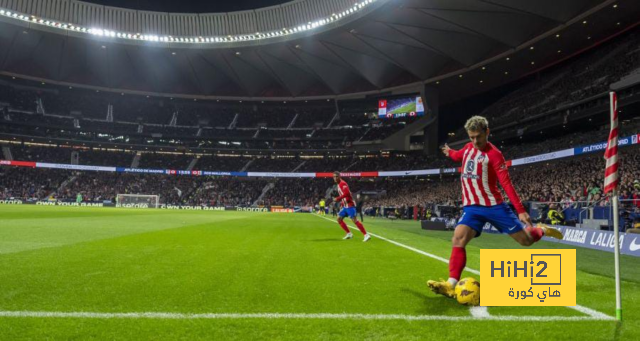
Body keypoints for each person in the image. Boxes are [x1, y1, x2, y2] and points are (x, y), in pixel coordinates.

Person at [427, 116, 563, 298]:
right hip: (472, 208)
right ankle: (450, 284)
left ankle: (541, 230)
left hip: (494, 206)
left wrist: (521, 210)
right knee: (457, 238)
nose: (475, 141)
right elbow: (457, 155)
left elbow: (506, 184)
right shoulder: (468, 149)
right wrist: (449, 151)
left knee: (526, 241)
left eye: (478, 137)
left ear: (487, 132)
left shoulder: (495, 155)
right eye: (472, 137)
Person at [333, 171, 371, 242]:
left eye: (336, 176)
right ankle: (349, 234)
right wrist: (342, 203)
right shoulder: (338, 184)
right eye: (334, 177)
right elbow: (345, 195)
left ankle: (366, 235)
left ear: (339, 176)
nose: (335, 178)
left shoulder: (343, 183)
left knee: (354, 220)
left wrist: (338, 198)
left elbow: (347, 193)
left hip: (350, 205)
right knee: (339, 219)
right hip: (345, 206)